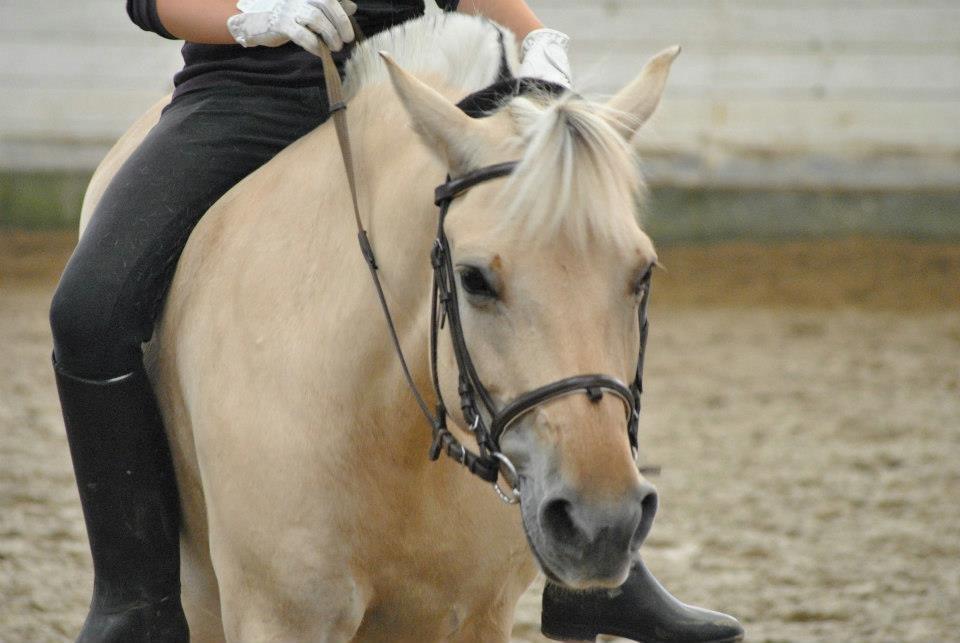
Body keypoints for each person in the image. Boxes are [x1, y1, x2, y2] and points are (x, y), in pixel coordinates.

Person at [49, 1, 744, 641]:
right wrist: (248, 16)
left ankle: (603, 576)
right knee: (88, 309)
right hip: (248, 95)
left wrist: (534, 35)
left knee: (570, 245)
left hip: (420, 78)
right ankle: (133, 599)